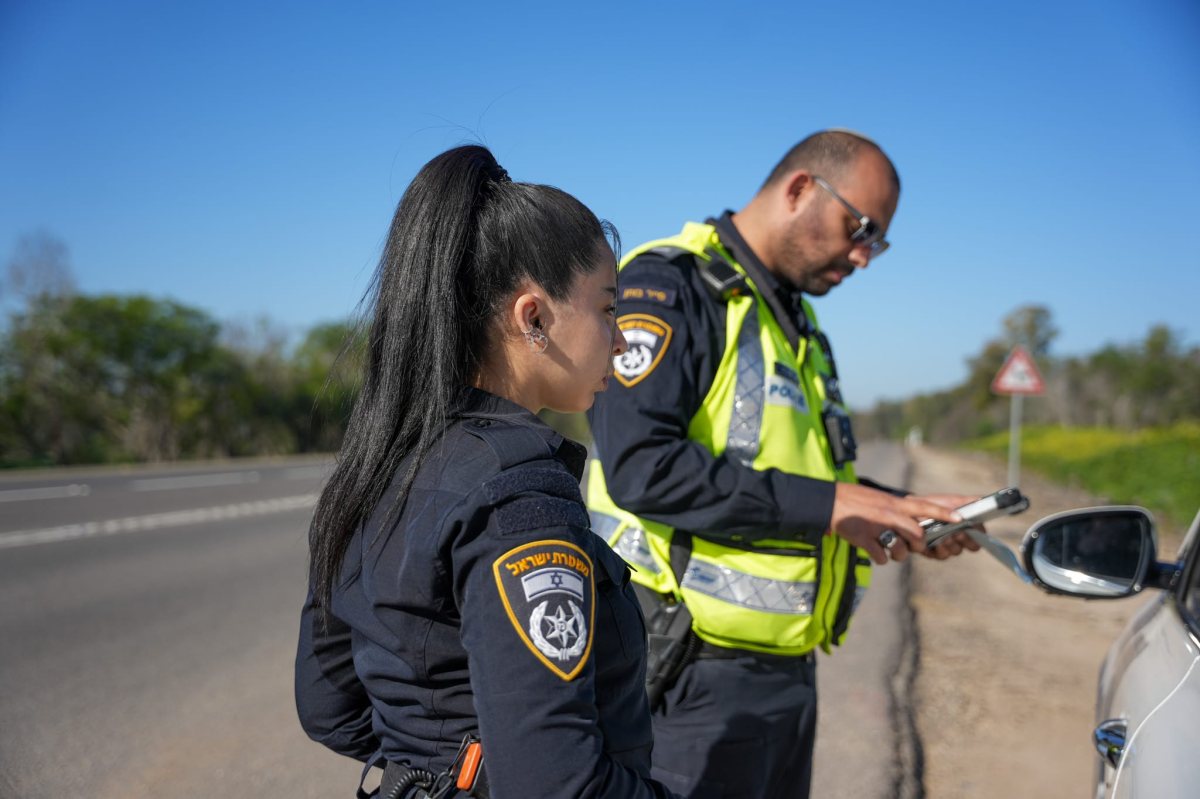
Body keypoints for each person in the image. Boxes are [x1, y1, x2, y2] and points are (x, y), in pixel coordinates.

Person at [586, 130, 980, 799]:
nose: (864, 257)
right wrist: (835, 507)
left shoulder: (790, 318)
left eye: (877, 242)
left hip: (787, 674)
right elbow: (642, 465)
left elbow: (794, 471)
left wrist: (892, 507)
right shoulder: (672, 286)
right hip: (689, 675)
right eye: (861, 229)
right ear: (800, 188)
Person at [295, 145, 676, 799]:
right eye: (609, 307)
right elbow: (558, 786)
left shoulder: (381, 459)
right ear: (533, 318)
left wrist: (439, 769)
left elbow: (328, 706)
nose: (620, 339)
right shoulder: (520, 495)